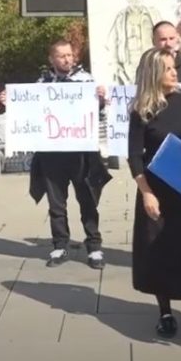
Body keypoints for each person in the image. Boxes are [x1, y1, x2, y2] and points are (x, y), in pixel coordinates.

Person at [128, 47, 181, 339]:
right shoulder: (142, 109)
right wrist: (146, 193)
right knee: (160, 252)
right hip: (158, 190)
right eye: (168, 68)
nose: (175, 72)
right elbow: (134, 155)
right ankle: (165, 313)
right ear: (154, 73)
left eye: (174, 67)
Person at [28, 40, 112, 269]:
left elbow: (99, 114)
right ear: (52, 59)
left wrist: (102, 101)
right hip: (52, 154)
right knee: (56, 203)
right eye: (62, 56)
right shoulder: (42, 83)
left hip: (80, 152)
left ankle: (94, 246)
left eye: (70, 55)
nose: (67, 59)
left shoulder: (86, 81)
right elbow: (31, 111)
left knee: (87, 200)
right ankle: (60, 245)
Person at [107, 0, 161, 85]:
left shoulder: (152, 14)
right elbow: (112, 41)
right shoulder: (121, 17)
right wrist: (115, 62)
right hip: (129, 61)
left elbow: (163, 34)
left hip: (149, 59)